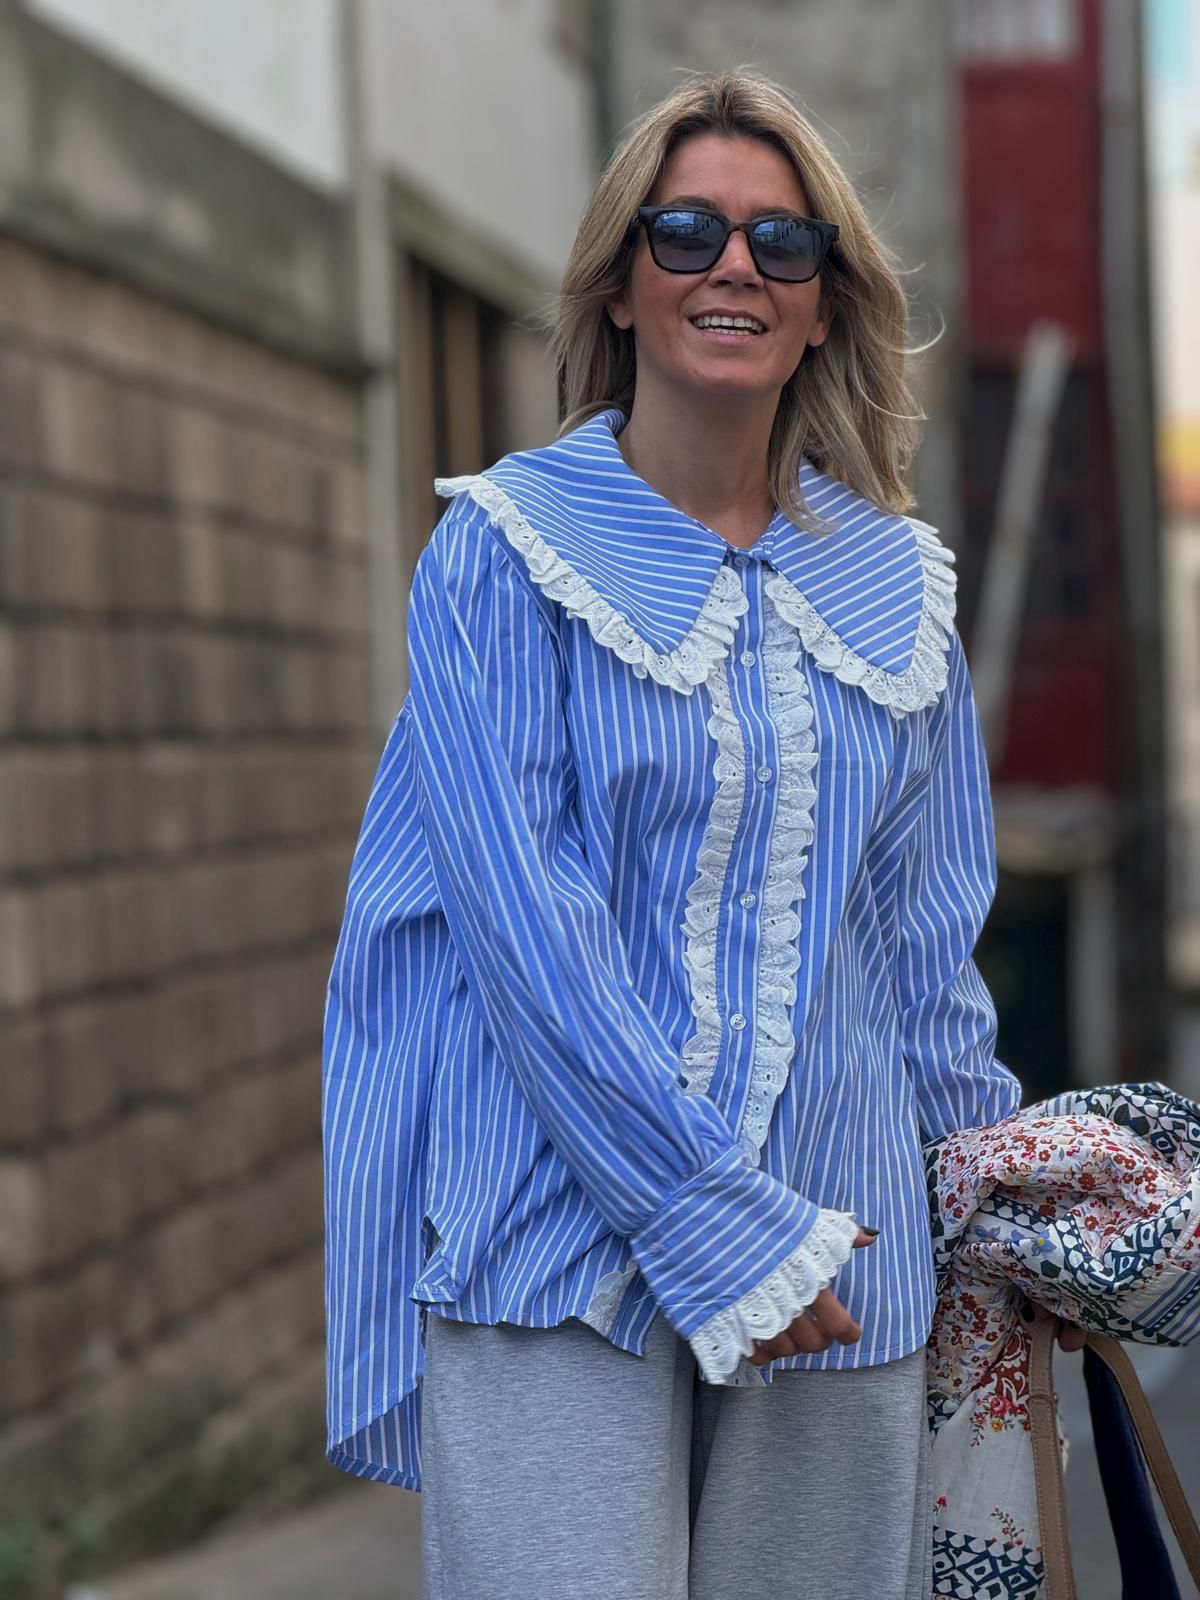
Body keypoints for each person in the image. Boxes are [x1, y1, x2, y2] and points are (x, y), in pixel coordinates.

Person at [322, 69, 1028, 1599]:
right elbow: (528, 944)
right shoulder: (498, 559)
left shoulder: (900, 594)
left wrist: (990, 1201)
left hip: (848, 1265)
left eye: (785, 246)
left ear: (828, 305)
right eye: (690, 229)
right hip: (554, 1247)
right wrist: (719, 1229)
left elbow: (920, 952)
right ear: (623, 284)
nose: (735, 268)